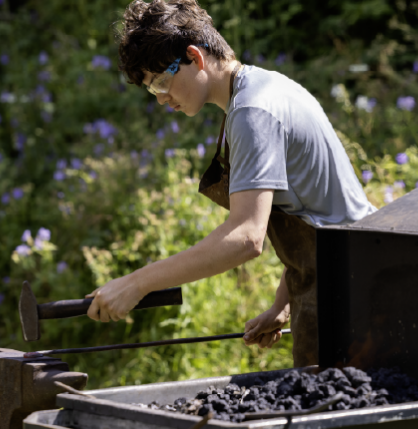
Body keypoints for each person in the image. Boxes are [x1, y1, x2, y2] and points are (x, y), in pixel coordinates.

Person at [86, 0, 376, 367]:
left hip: (351, 298)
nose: (161, 98)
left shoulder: (252, 111)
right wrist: (281, 304)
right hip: (341, 281)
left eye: (160, 81)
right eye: (151, 89)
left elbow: (246, 237)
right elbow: (315, 213)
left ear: (194, 56)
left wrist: (138, 283)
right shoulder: (264, 88)